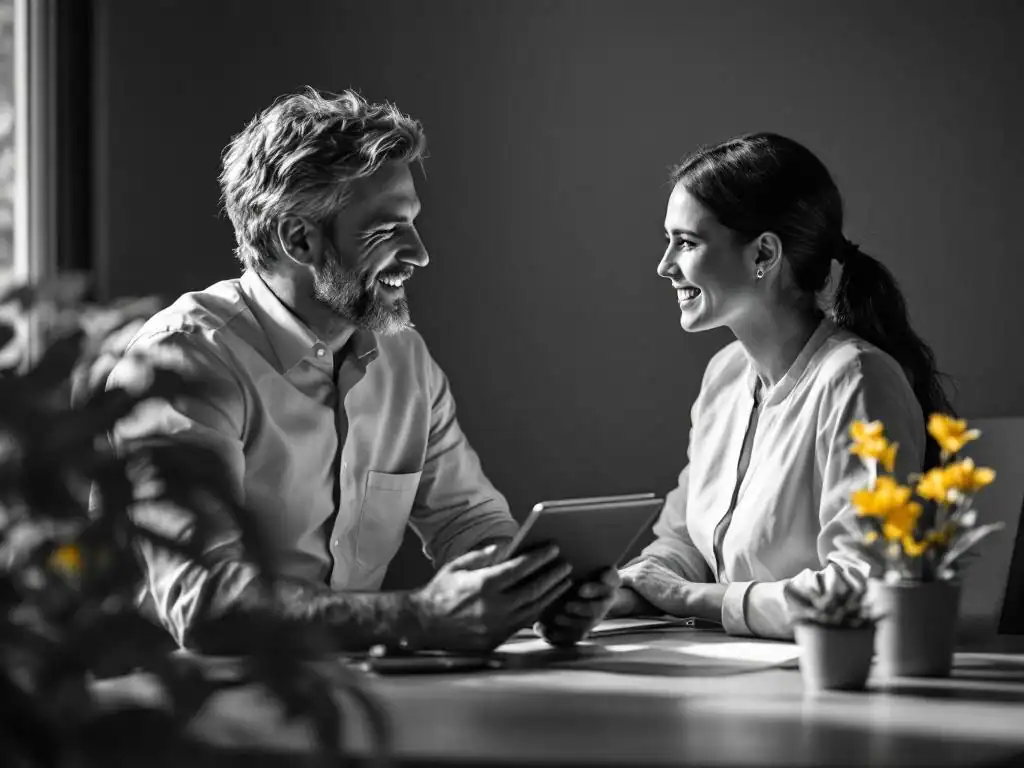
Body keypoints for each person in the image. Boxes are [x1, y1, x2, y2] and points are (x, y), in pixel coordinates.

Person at [108, 87, 616, 654]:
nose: (420, 253)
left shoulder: (404, 359)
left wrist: (536, 590)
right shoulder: (182, 362)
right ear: (298, 237)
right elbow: (205, 601)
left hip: (351, 697)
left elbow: (466, 521)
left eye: (414, 223)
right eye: (386, 228)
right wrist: (419, 616)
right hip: (189, 711)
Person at [605, 133, 952, 639]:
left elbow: (863, 590)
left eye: (687, 242)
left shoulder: (856, 380)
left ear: (763, 253)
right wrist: (624, 592)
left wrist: (691, 599)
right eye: (668, 241)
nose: (665, 266)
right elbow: (683, 542)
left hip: (825, 686)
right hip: (728, 683)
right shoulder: (724, 375)